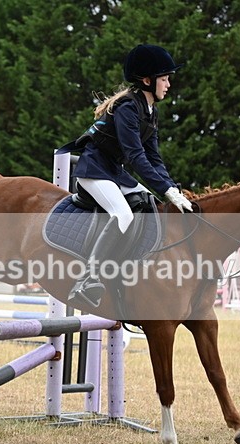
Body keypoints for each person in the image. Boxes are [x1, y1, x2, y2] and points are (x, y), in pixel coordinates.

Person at [61, 44, 193, 307]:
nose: (169, 84)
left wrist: (171, 189)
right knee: (123, 214)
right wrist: (165, 189)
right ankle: (88, 278)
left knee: (150, 204)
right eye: (165, 79)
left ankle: (128, 270)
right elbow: (135, 156)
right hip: (93, 171)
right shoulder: (128, 108)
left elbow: (154, 157)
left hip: (114, 174)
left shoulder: (150, 111)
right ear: (147, 80)